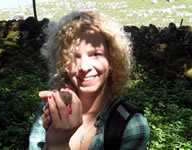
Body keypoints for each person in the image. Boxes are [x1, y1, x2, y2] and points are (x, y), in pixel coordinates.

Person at [29, 10, 150, 150]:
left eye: (95, 54)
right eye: (74, 56)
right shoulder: (53, 109)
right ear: (62, 62)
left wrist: (58, 145)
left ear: (112, 59)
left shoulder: (131, 125)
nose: (84, 67)